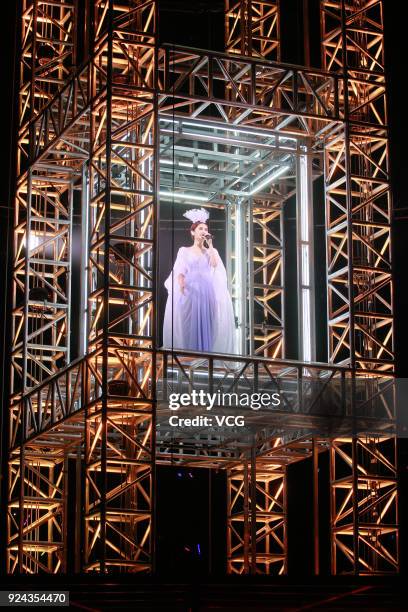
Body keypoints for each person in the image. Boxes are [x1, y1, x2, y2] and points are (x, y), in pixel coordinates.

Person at [163, 208, 236, 354]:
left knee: (208, 324)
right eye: (200, 228)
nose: (203, 230)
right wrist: (181, 282)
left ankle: (206, 358)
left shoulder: (211, 251)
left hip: (207, 291)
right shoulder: (184, 250)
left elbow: (215, 265)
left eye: (206, 228)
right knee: (190, 326)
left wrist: (210, 245)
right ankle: (190, 358)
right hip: (192, 291)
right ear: (193, 232)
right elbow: (179, 270)